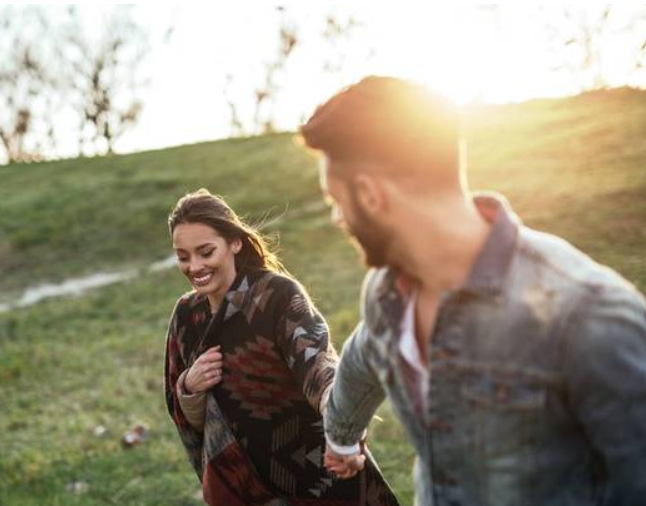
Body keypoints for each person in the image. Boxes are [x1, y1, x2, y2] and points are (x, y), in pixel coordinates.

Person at [299, 76, 646, 506]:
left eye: (336, 199)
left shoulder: (586, 315)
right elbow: (362, 358)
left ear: (371, 195)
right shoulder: (387, 292)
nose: (337, 217)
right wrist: (341, 439)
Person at [164, 189, 399, 506]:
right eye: (183, 256)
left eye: (206, 252)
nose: (195, 266)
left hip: (318, 477)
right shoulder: (186, 317)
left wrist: (342, 419)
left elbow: (316, 364)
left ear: (234, 242)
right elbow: (182, 414)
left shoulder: (276, 295)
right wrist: (189, 389)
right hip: (243, 487)